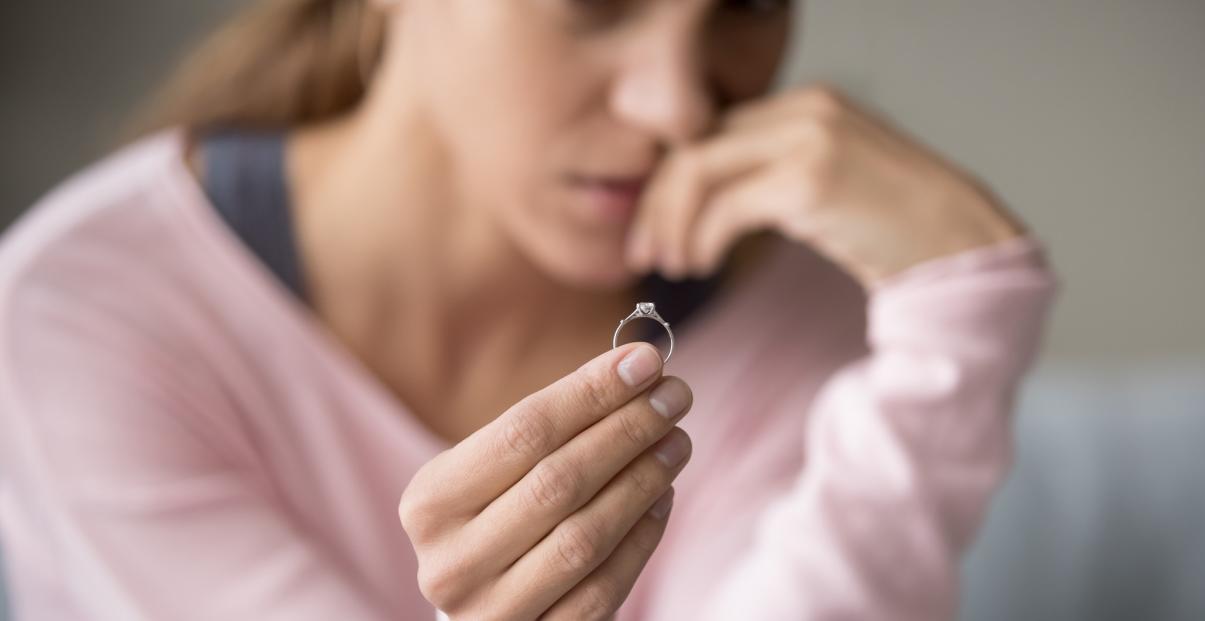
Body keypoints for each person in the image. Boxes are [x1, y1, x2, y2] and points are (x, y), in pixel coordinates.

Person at [0, 0, 1057, 619]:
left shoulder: (808, 308)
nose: (679, 105)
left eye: (743, 0)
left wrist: (963, 308)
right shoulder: (82, 314)